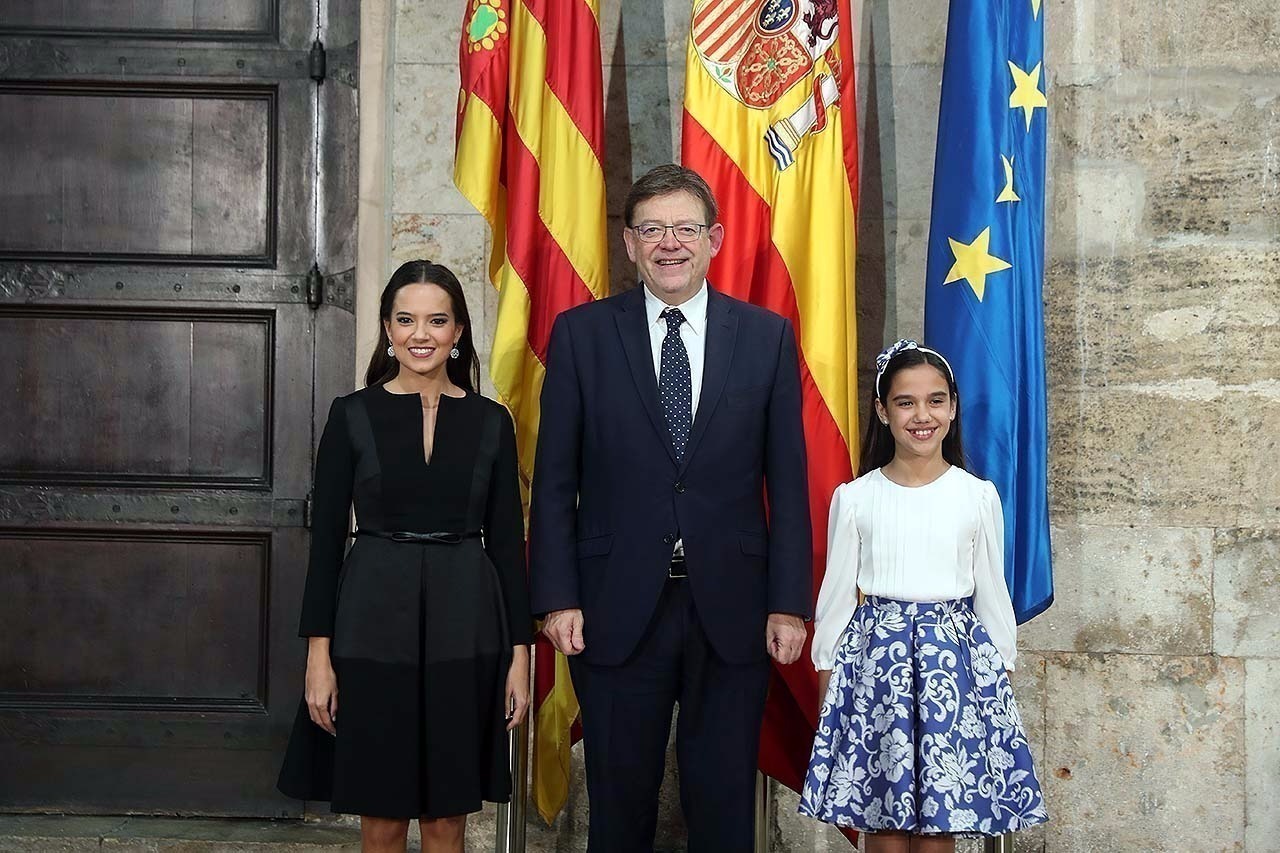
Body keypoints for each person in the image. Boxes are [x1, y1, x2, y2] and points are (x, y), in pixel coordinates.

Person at [529, 164, 813, 852]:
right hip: (615, 605)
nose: (670, 243)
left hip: (733, 609)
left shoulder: (765, 337)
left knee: (721, 811)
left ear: (714, 237)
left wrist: (788, 602)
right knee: (620, 810)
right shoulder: (582, 335)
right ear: (628, 243)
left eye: (686, 228)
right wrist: (558, 595)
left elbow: (790, 481)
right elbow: (554, 480)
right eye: (652, 229)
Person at [276, 260, 533, 853]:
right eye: (406, 319)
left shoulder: (492, 422)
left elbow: (508, 547)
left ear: (459, 331)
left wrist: (519, 655)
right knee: (383, 815)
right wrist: (319, 658)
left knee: (447, 817)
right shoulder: (351, 414)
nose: (422, 334)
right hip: (369, 625)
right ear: (388, 330)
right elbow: (325, 548)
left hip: (467, 626)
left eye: (437, 320)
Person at [798, 339, 1048, 850]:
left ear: (953, 408)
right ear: (882, 411)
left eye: (935, 400)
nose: (921, 416)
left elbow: (993, 598)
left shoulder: (977, 496)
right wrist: (830, 692)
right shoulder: (856, 498)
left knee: (942, 822)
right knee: (884, 823)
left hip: (954, 671)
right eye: (905, 402)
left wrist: (995, 686)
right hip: (877, 673)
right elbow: (837, 600)